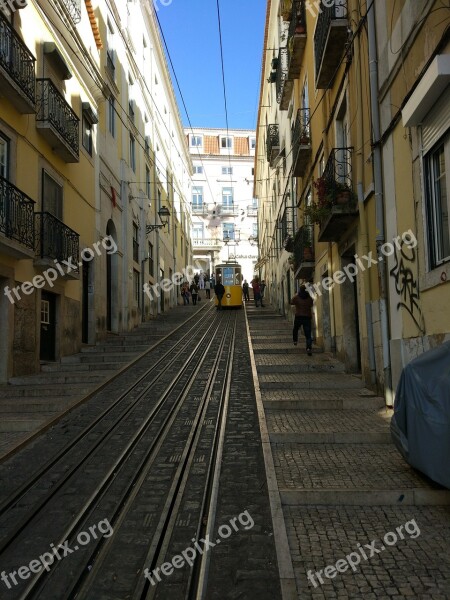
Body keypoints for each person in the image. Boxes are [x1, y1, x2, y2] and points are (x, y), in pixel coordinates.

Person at [290, 285, 313, 355]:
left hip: (299, 316)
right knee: (308, 334)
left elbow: (291, 302)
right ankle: (309, 348)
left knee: (295, 329)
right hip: (307, 317)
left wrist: (296, 295)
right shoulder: (309, 298)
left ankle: (295, 340)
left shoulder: (297, 297)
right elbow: (311, 304)